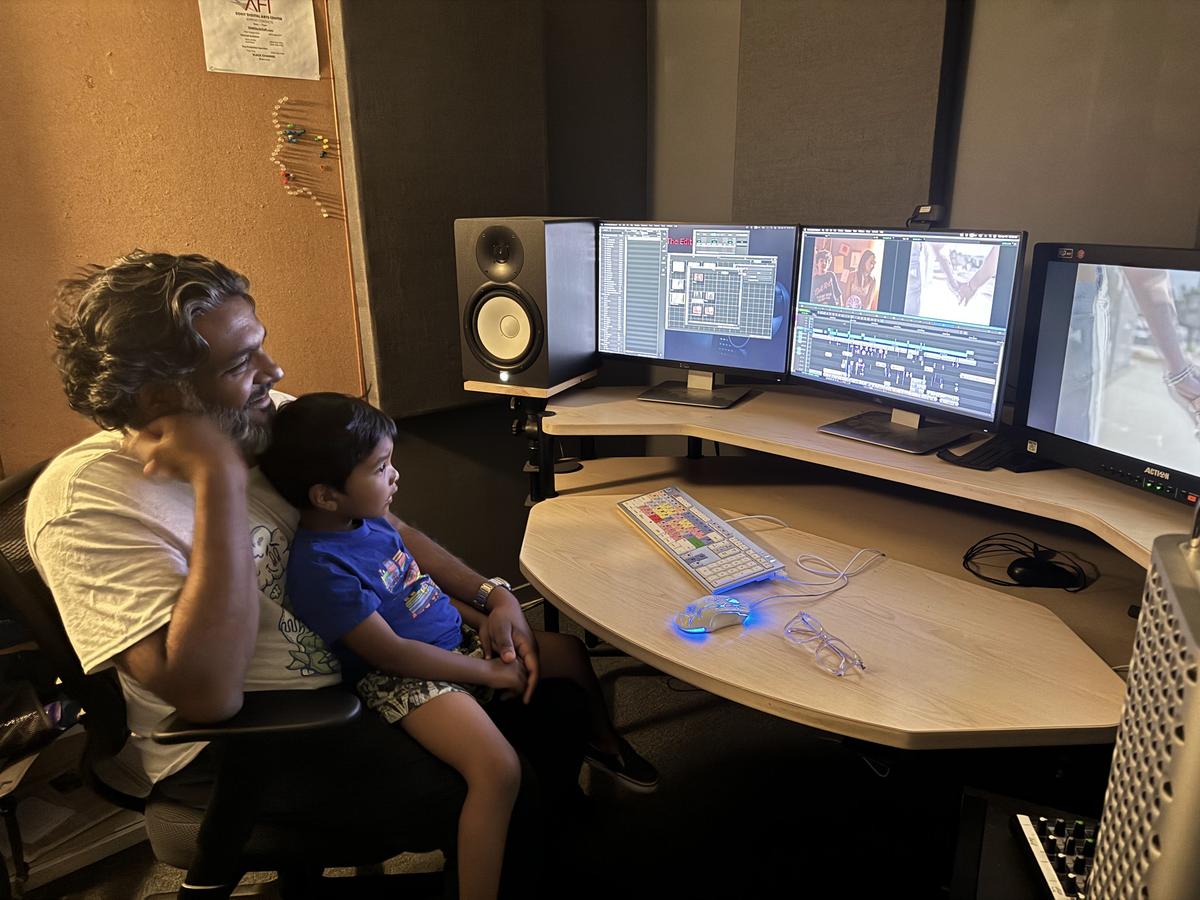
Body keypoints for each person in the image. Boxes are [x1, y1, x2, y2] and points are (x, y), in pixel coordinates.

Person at [23, 250, 589, 897]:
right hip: (245, 741)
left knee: (552, 702)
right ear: (162, 398)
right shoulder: (86, 507)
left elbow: (386, 531)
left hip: (362, 665)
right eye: (242, 363)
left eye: (260, 347)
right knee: (496, 782)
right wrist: (218, 480)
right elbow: (210, 698)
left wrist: (490, 596)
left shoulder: (267, 417)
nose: (274, 371)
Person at [258, 392, 656, 900]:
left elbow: (421, 594)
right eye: (381, 468)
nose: (395, 475)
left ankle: (606, 749)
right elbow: (391, 654)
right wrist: (489, 674)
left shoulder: (371, 521)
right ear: (325, 496)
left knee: (568, 655)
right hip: (410, 680)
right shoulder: (319, 568)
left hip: (457, 641)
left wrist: (490, 613)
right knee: (497, 770)